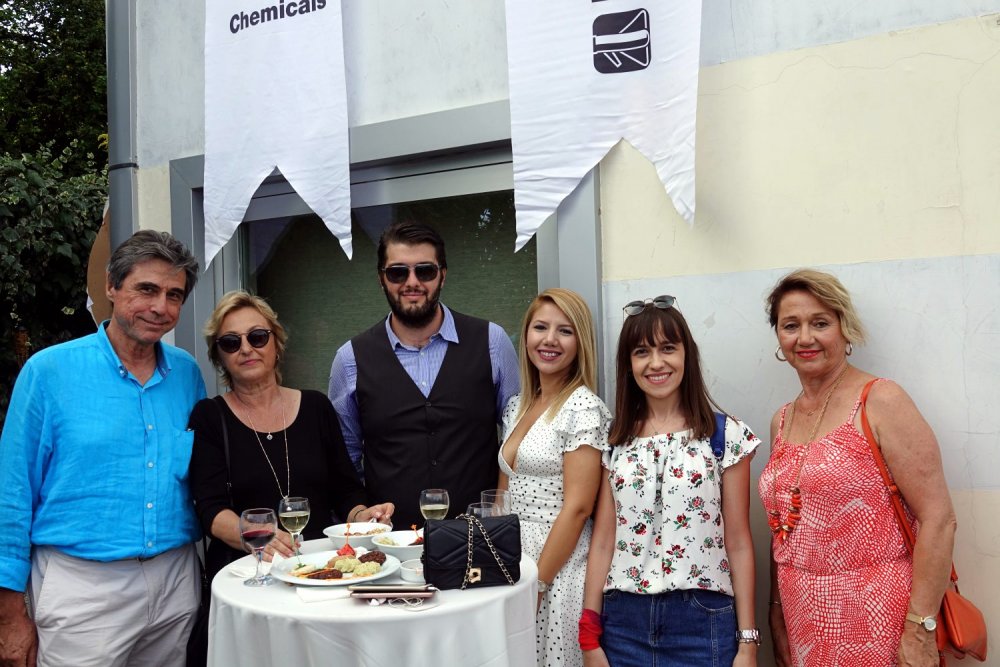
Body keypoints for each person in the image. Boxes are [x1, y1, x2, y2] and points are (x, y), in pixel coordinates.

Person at [0, 230, 205, 667]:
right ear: (111, 286)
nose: (160, 307)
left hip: (176, 578)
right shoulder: (49, 372)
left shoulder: (187, 373)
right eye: (146, 289)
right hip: (83, 585)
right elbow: (11, 492)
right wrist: (8, 614)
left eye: (174, 295)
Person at [759, 269, 956, 667]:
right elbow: (784, 532)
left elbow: (939, 518)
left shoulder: (880, 400)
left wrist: (920, 629)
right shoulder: (781, 419)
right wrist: (776, 611)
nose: (805, 338)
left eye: (820, 323)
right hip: (802, 619)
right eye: (791, 325)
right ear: (779, 337)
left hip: (880, 618)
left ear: (844, 328)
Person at [581, 296, 759, 667]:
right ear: (628, 364)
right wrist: (588, 635)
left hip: (703, 622)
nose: (656, 363)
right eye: (641, 352)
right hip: (623, 624)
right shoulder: (614, 442)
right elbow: (603, 542)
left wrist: (748, 643)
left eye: (667, 348)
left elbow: (740, 542)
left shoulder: (725, 436)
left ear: (686, 355)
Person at [188, 290, 394, 581]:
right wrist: (256, 535)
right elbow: (210, 508)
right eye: (231, 342)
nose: (246, 348)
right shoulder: (210, 416)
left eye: (257, 337)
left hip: (321, 569)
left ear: (277, 343)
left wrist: (364, 518)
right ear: (219, 355)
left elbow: (345, 490)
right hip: (249, 575)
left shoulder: (316, 407)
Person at [328, 221, 519, 527]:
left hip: (480, 537)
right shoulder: (349, 359)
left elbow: (517, 441)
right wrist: (362, 514)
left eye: (425, 271)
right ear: (381, 279)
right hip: (391, 543)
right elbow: (345, 465)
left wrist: (499, 508)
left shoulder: (491, 342)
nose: (412, 282)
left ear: (443, 275)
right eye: (398, 272)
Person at [497, 288, 611, 667]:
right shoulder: (517, 405)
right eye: (540, 327)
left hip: (558, 566)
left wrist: (539, 584)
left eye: (565, 331)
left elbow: (578, 508)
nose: (549, 340)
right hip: (513, 557)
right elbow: (503, 493)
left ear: (581, 342)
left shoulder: (583, 408)